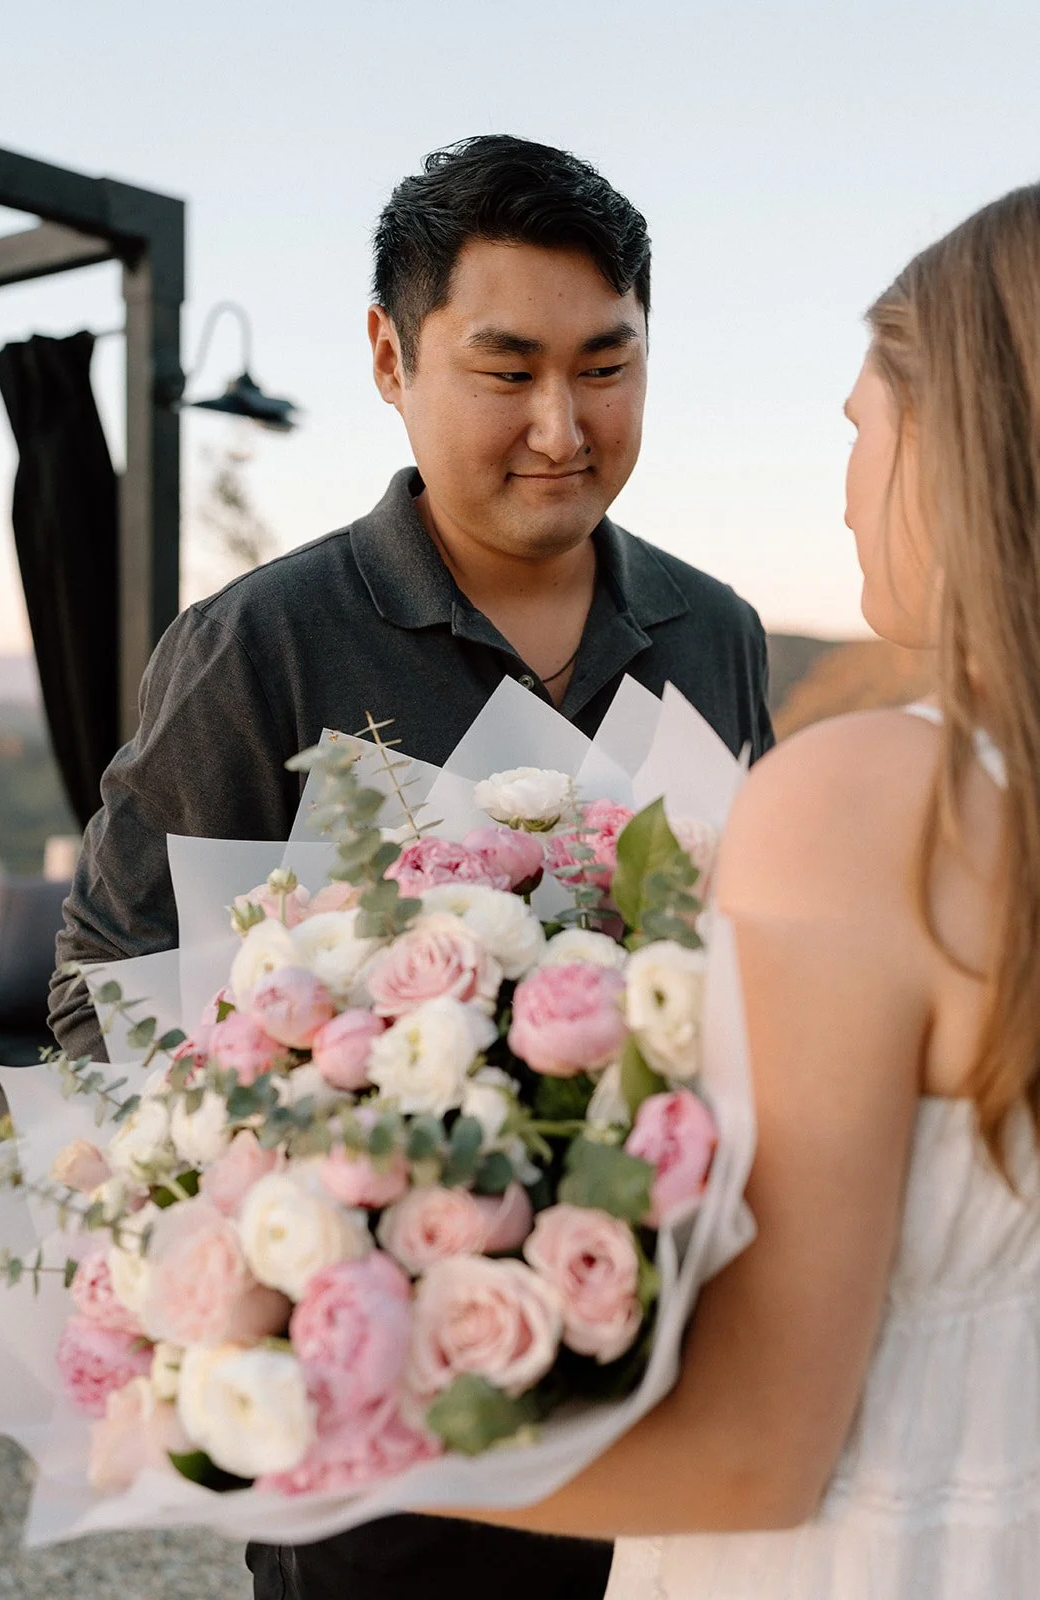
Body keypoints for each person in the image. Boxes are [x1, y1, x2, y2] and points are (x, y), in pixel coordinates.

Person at [48, 135, 773, 1600]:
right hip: (382, 1446)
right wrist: (336, 1161)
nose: (563, 428)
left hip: (687, 1395)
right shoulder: (260, 645)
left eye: (607, 365)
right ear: (391, 356)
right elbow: (100, 998)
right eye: (506, 373)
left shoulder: (716, 633)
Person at [430, 183, 1040, 1597]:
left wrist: (254, 1421)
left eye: (854, 427)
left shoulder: (881, 798)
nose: (839, 489)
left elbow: (752, 1455)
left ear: (959, 433)